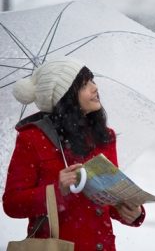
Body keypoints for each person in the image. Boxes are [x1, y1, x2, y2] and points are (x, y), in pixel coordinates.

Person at [2, 57, 145, 251]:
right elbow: (12, 204)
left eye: (92, 81)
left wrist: (129, 211)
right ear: (66, 97)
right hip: (58, 245)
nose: (95, 88)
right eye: (85, 85)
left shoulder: (104, 136)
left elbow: (105, 196)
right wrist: (56, 190)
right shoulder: (33, 138)